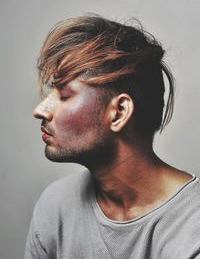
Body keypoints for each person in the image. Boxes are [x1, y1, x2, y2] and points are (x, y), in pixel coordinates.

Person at [25, 15, 200, 259]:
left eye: (65, 95)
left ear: (118, 113)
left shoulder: (192, 228)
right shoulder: (56, 205)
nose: (40, 110)